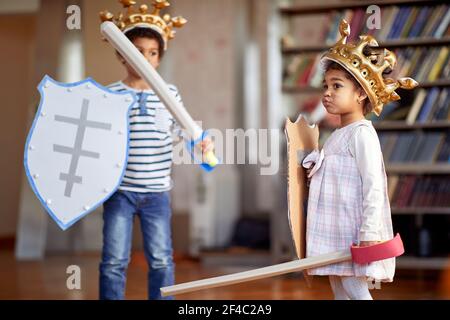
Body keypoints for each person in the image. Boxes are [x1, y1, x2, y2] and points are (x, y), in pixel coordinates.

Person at [98, 0, 213, 300]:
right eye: (137, 51)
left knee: (162, 259)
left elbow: (184, 131)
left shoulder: (169, 94)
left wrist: (201, 143)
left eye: (152, 53)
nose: (145, 59)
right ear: (122, 54)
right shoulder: (111, 94)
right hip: (119, 190)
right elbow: (100, 140)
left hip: (157, 192)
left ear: (159, 59)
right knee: (114, 261)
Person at [302, 19, 417, 300]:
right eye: (326, 85)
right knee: (338, 284)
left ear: (361, 93)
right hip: (335, 230)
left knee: (354, 286)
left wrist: (369, 231)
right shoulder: (339, 134)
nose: (327, 93)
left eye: (337, 86)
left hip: (353, 231)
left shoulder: (362, 134)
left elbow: (374, 185)